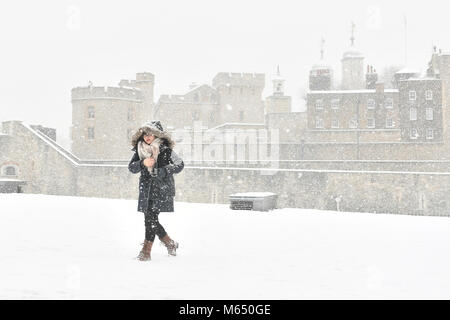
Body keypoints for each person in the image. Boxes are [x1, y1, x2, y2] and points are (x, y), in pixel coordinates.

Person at [128, 120, 184, 261]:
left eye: (151, 134)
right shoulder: (140, 149)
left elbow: (180, 164)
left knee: (150, 219)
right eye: (145, 134)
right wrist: (143, 163)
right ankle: (170, 243)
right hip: (146, 189)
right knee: (151, 219)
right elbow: (131, 167)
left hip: (162, 189)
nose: (147, 136)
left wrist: (163, 171)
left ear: (157, 135)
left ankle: (146, 252)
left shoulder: (166, 150)